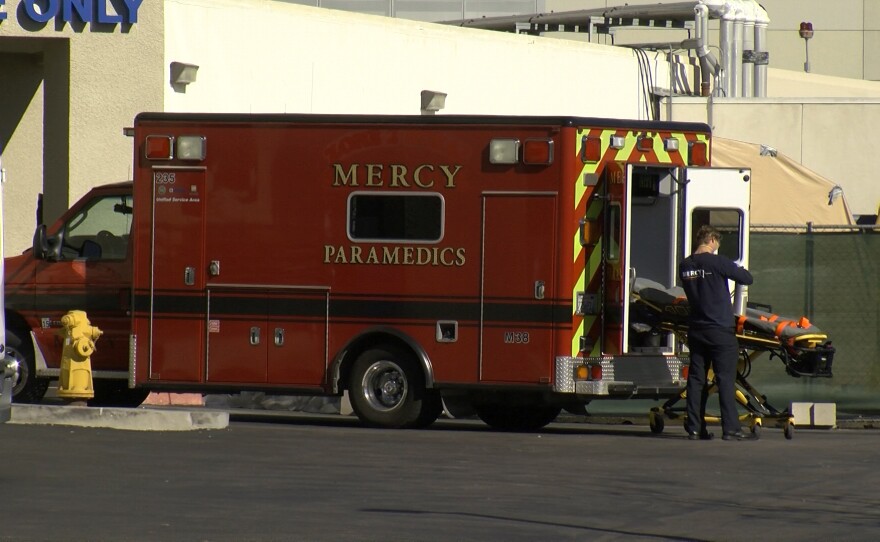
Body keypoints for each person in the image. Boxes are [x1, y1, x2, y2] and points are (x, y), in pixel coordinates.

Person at [679, 224, 754, 441]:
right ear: (712, 240)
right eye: (717, 243)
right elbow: (746, 278)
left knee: (696, 379)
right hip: (720, 329)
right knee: (725, 379)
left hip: (697, 329)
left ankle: (694, 427)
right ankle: (731, 429)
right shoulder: (718, 262)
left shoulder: (685, 266)